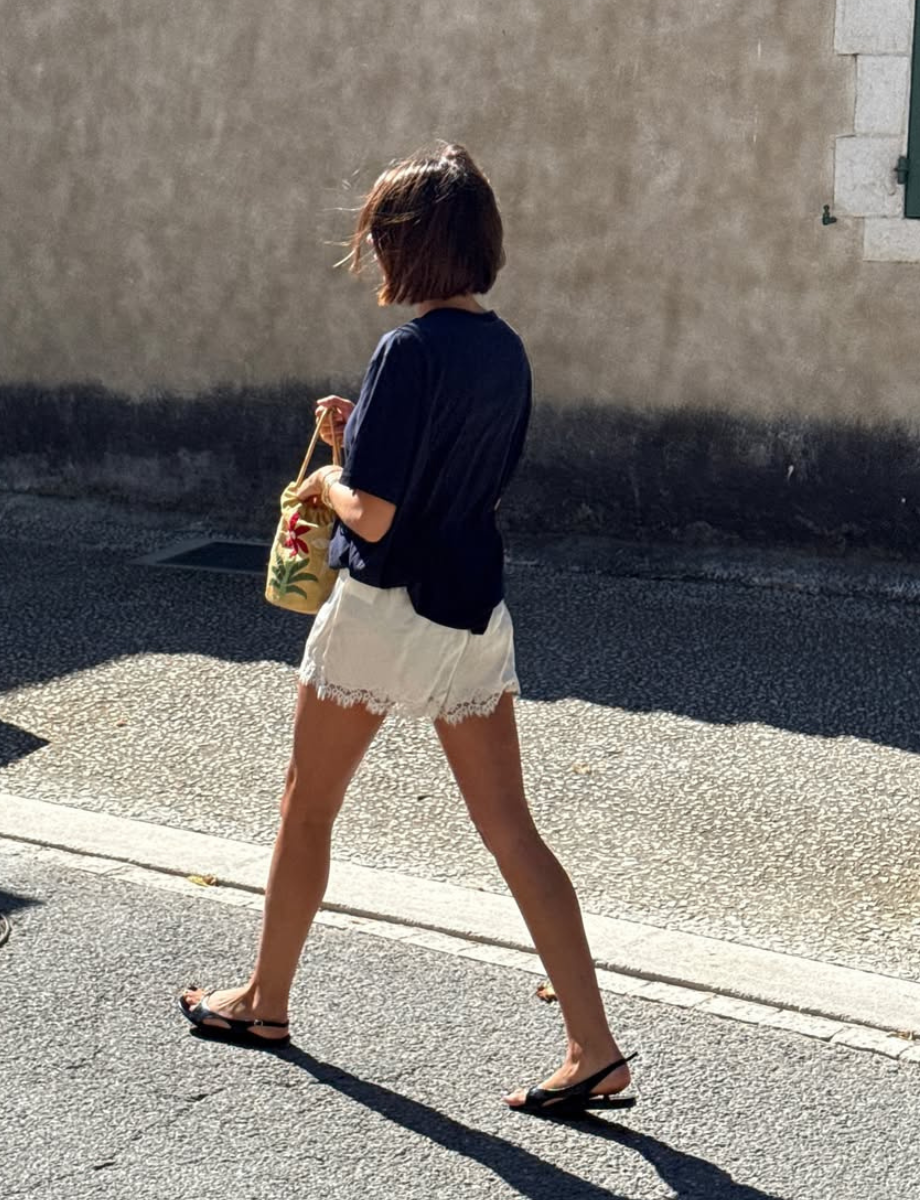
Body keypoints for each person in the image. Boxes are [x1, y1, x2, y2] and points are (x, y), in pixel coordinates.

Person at [179, 143, 636, 1115]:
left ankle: (263, 1002)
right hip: (471, 610)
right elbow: (449, 472)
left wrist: (325, 478)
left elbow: (377, 516)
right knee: (510, 829)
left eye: (379, 236)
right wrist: (360, 439)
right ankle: (593, 1046)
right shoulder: (504, 350)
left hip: (384, 610)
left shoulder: (407, 350)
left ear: (408, 245)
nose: (372, 254)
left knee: (307, 805)